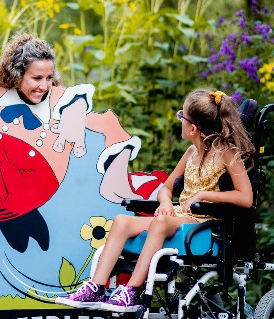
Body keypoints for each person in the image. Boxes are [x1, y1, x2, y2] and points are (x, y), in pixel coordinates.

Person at [56, 89, 255, 313]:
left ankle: (131, 291)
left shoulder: (227, 153)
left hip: (204, 223)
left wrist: (205, 195)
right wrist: (165, 203)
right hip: (180, 216)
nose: (179, 120)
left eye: (182, 117)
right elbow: (166, 188)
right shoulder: (191, 153)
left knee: (160, 223)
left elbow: (246, 198)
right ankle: (96, 287)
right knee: (122, 221)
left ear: (192, 128)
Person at [0, 33, 143, 252]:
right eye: (37, 78)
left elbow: (99, 118)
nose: (44, 85)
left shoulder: (59, 103)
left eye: (49, 78)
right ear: (16, 75)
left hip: (37, 180)